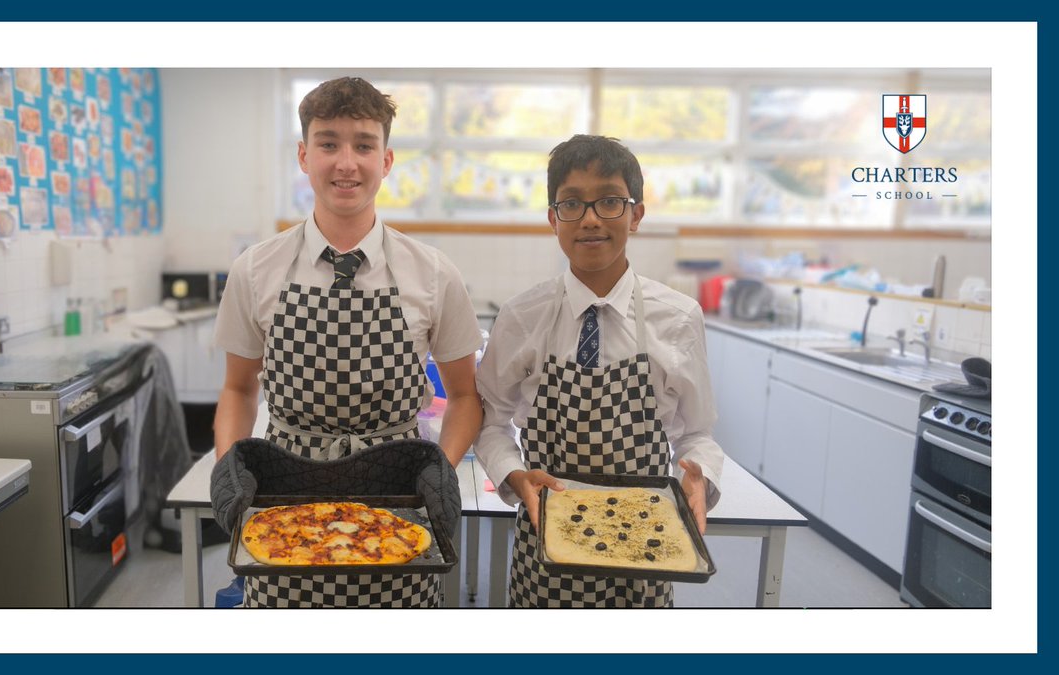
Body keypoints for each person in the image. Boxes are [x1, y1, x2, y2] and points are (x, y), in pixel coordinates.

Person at [211, 77, 484, 607]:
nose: (346, 162)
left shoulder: (433, 273)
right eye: (328, 143)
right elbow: (239, 389)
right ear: (303, 155)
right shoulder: (255, 269)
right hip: (285, 495)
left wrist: (442, 470)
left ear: (386, 160)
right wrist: (229, 468)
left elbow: (466, 397)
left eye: (363, 145)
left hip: (399, 493)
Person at [473, 134, 724, 608]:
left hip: (649, 543)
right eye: (572, 203)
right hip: (547, 545)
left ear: (636, 214)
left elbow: (698, 434)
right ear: (553, 219)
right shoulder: (522, 316)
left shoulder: (678, 318)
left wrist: (699, 476)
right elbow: (491, 424)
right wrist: (514, 475)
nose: (590, 219)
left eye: (609, 201)